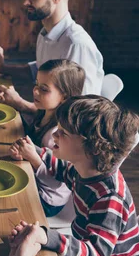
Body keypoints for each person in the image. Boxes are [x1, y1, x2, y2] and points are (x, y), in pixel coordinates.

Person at [9, 96, 139, 256]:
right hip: (87, 249)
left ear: (93, 147)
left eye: (63, 133)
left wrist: (47, 236)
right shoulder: (84, 168)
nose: (54, 135)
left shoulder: (110, 198)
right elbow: (62, 169)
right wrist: (33, 151)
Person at [0, 0, 104, 114]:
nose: (26, 2)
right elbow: (39, 70)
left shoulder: (77, 45)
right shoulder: (45, 33)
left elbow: (79, 112)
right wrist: (2, 67)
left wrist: (20, 104)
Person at [9, 59, 85, 217]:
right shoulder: (44, 112)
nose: (35, 91)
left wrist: (33, 158)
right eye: (36, 84)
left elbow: (57, 182)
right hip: (34, 177)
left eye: (44, 89)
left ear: (64, 97)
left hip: (47, 199)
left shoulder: (57, 135)